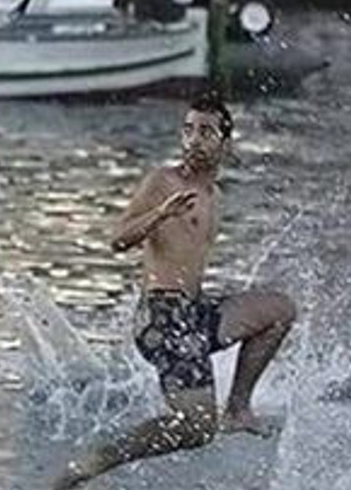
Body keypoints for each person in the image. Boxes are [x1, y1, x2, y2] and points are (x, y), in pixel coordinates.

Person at [54, 95, 297, 489]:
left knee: (280, 310)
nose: (194, 139)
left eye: (206, 131)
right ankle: (91, 463)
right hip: (162, 318)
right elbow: (117, 239)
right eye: (188, 130)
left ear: (225, 143)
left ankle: (237, 409)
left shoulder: (214, 196)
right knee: (196, 428)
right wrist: (161, 214)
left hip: (193, 313)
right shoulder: (162, 182)